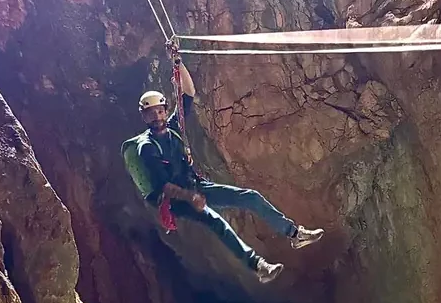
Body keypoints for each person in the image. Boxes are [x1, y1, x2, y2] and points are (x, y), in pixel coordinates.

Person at [121, 51, 324, 284]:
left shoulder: (175, 126)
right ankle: (257, 266)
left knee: (250, 197)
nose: (157, 116)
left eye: (159, 111)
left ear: (165, 111)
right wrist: (192, 197)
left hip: (195, 185)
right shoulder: (146, 147)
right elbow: (164, 186)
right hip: (177, 199)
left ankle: (294, 233)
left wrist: (178, 63)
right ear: (144, 117)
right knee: (215, 221)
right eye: (151, 113)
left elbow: (188, 92)